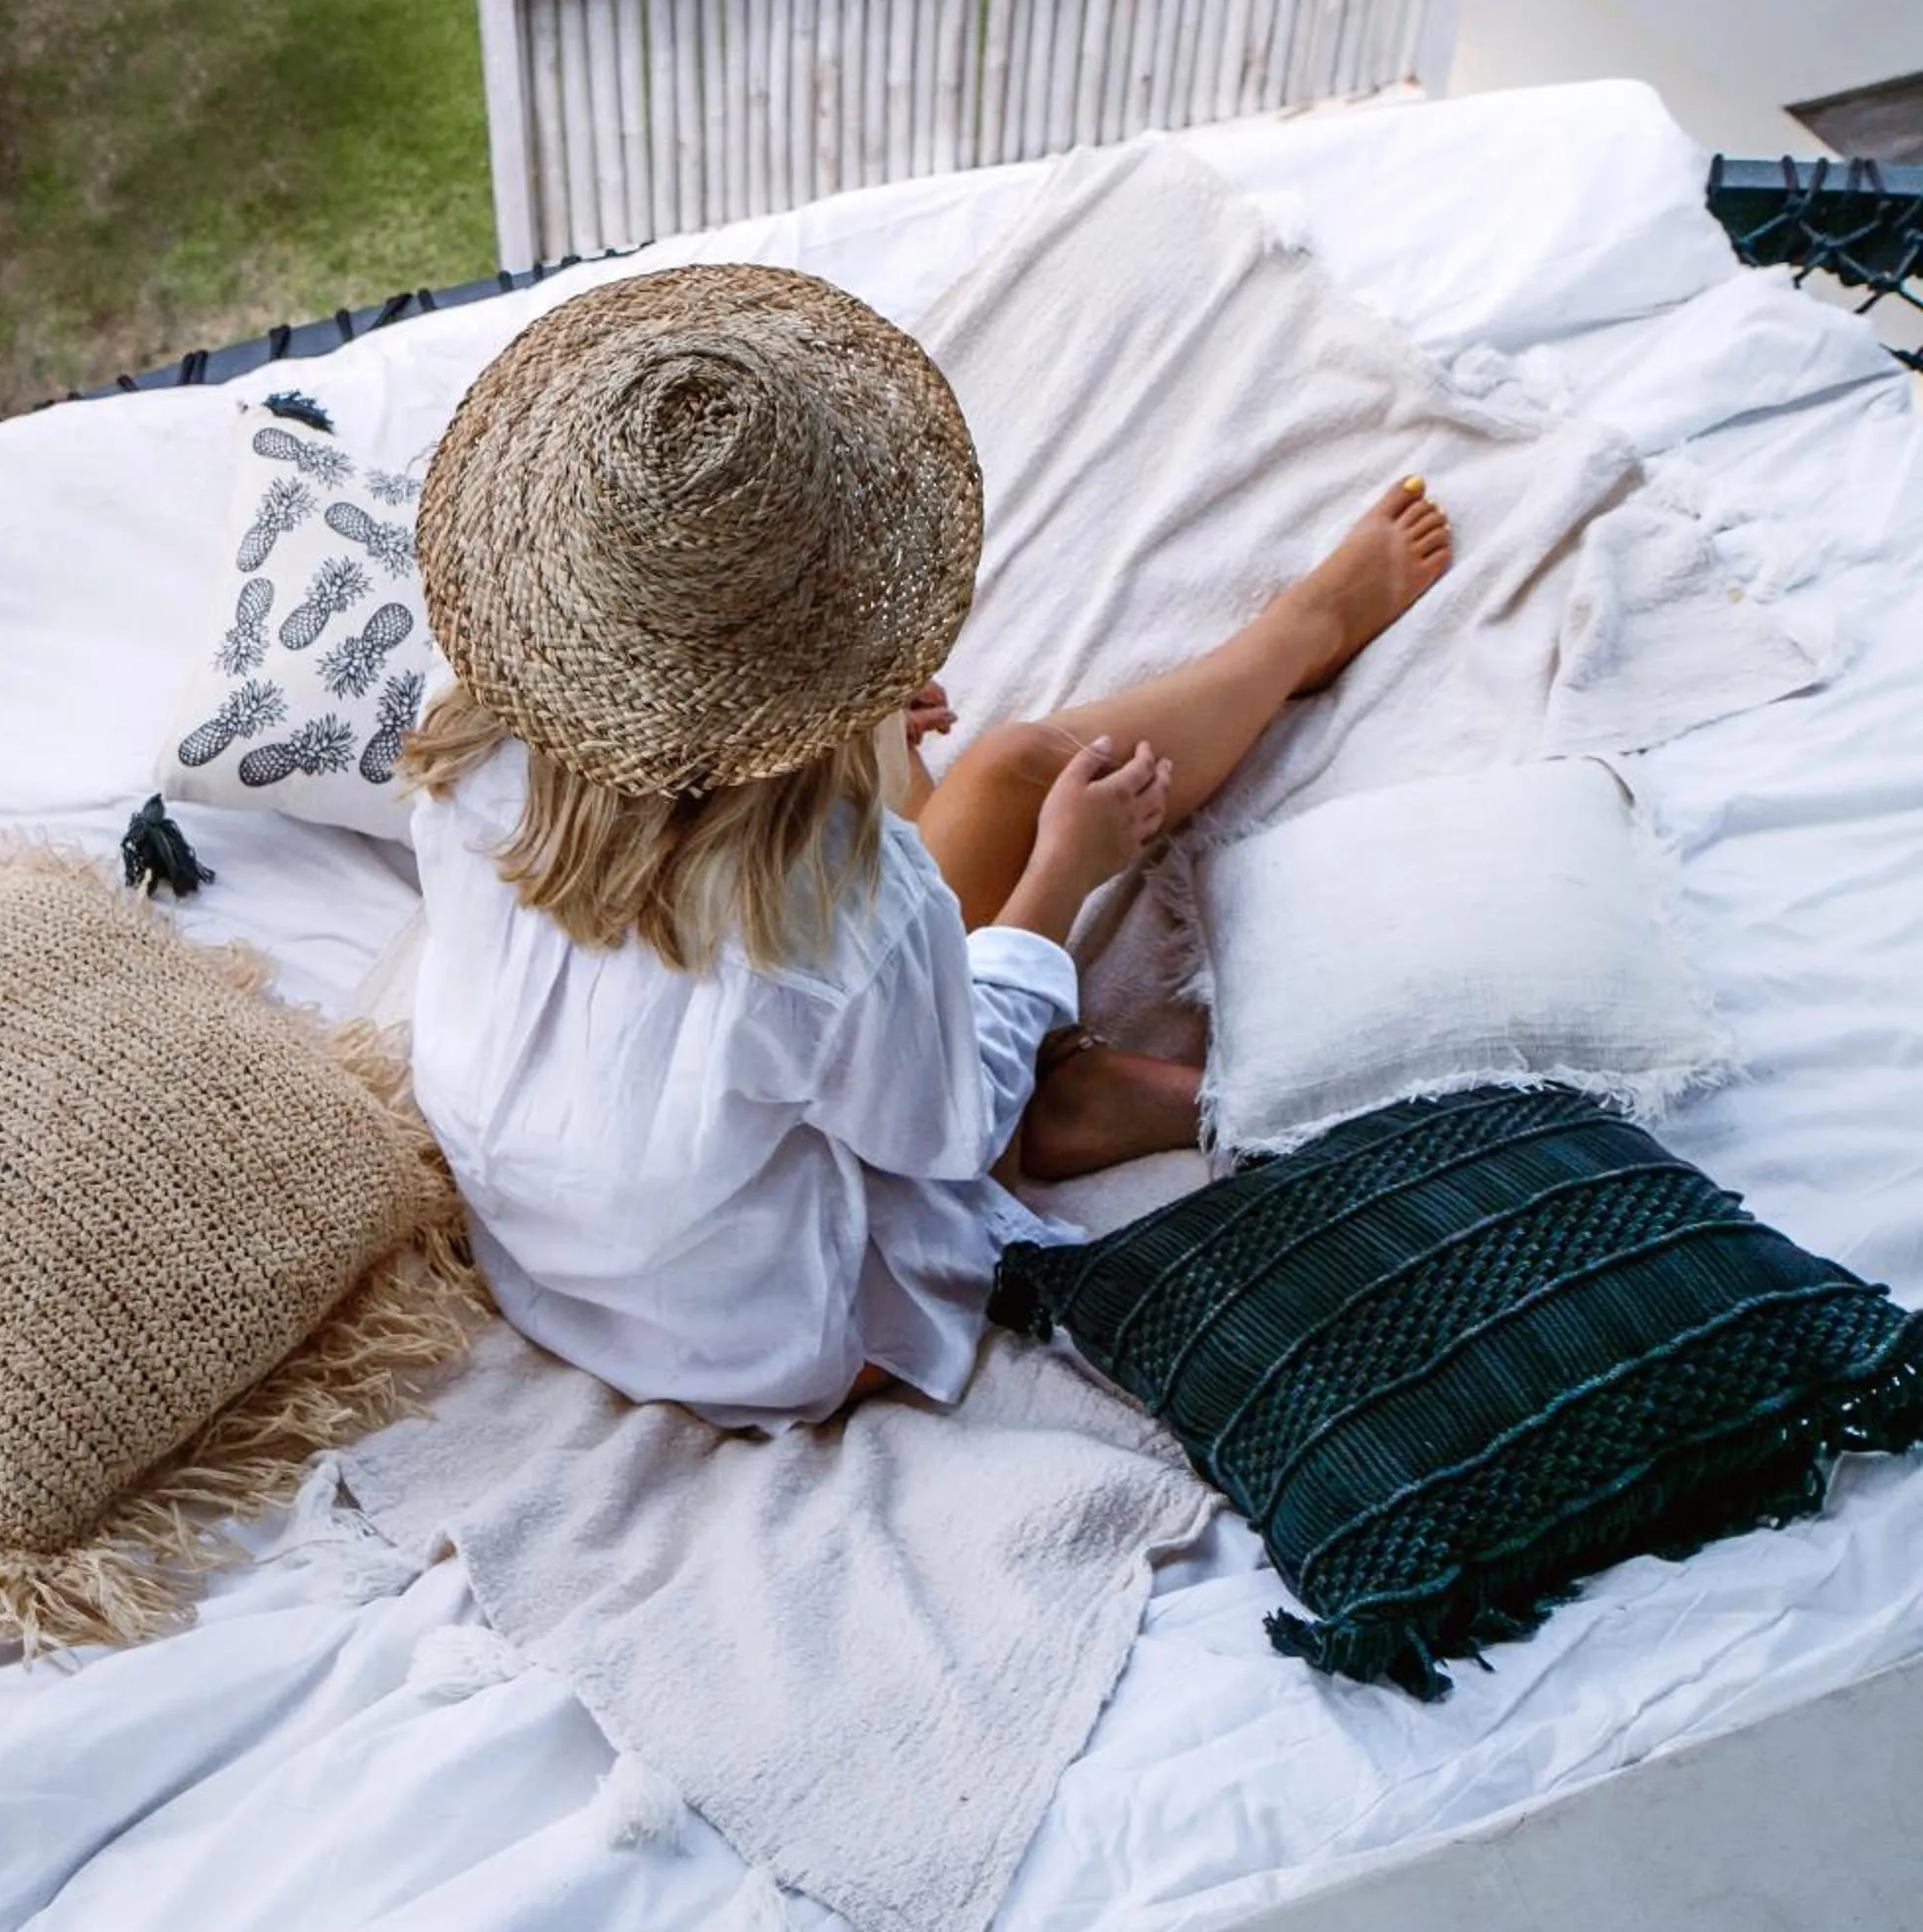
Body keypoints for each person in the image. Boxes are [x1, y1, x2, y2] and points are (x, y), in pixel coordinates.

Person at [404, 264, 1448, 1432]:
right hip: (798, 1328)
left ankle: (1072, 1095)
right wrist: (1063, 877)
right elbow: (941, 1119)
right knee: (1019, 776)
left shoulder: (474, 757)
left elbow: (698, 978)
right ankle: (1300, 635)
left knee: (986, 785)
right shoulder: (838, 915)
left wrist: (843, 752)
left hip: (564, 1270)